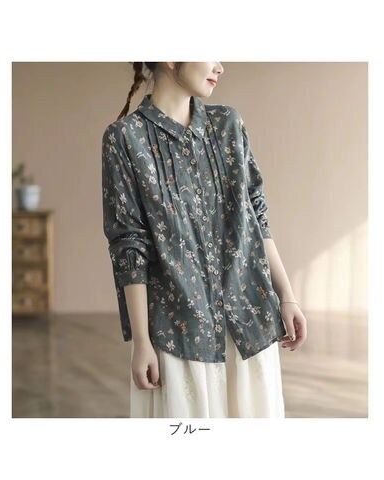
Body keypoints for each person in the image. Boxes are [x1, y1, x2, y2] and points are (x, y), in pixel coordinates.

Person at [101, 62, 308, 418]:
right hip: (179, 331)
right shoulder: (125, 138)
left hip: (248, 320)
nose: (220, 66)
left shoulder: (228, 124)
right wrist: (142, 342)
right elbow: (128, 246)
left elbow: (256, 217)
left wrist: (287, 296)